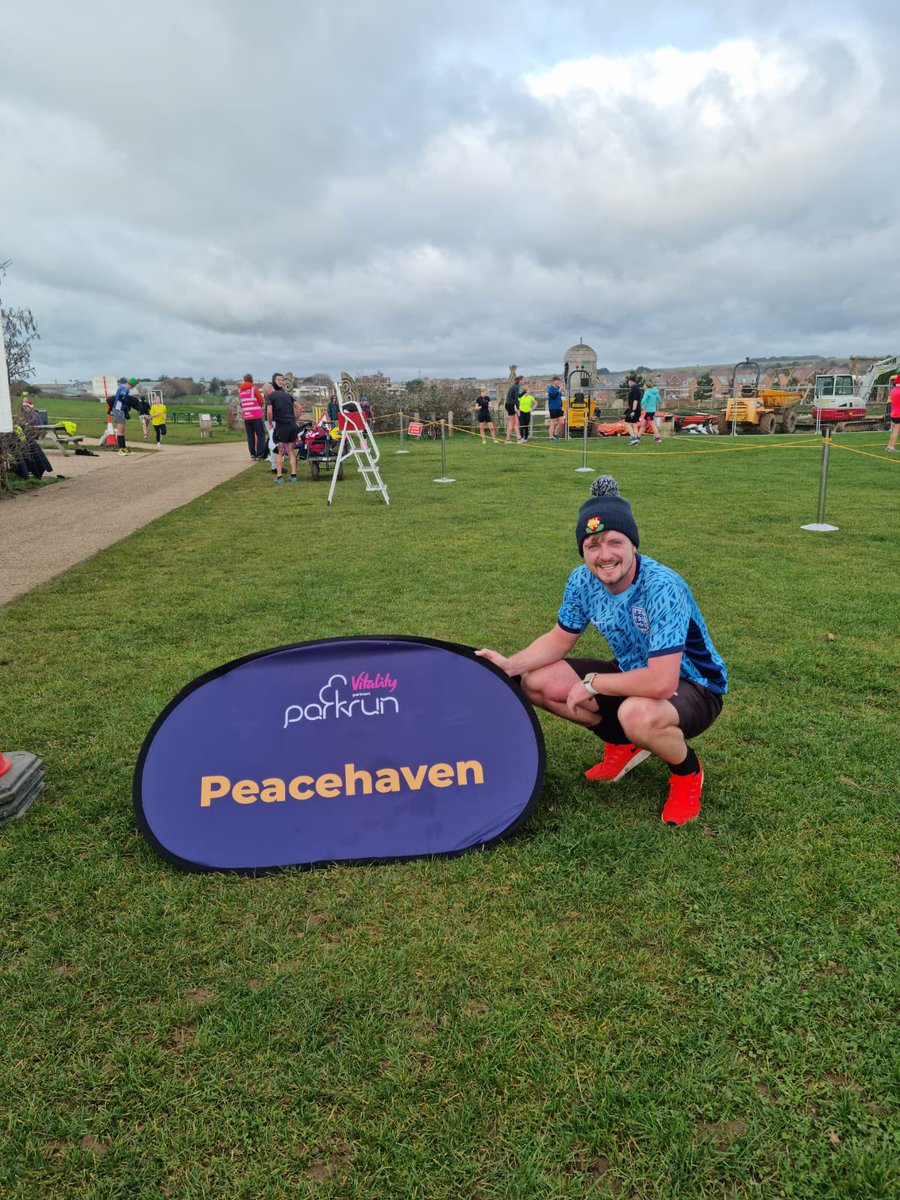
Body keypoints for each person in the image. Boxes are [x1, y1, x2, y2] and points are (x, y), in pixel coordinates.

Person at [476, 476, 727, 826]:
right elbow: (560, 638)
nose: (604, 555)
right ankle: (622, 746)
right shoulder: (581, 580)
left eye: (614, 542)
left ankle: (687, 773)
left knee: (637, 715)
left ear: (633, 544)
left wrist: (594, 684)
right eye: (592, 545)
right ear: (582, 550)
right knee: (536, 682)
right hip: (632, 672)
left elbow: (661, 682)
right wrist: (510, 664)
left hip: (694, 685)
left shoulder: (663, 587)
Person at [266, 373, 300, 483]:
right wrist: (297, 420)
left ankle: (280, 477)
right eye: (279, 379)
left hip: (281, 426)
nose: (281, 381)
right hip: (292, 425)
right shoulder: (287, 395)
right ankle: (294, 476)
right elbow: (299, 407)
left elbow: (269, 412)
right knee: (291, 451)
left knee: (279, 452)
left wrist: (270, 423)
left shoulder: (270, 396)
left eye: (282, 379)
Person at [239, 374, 268, 460]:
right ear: (252, 380)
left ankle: (252, 454)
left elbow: (242, 403)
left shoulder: (240, 390)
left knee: (250, 436)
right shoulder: (253, 389)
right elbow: (261, 400)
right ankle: (260, 454)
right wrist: (257, 405)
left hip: (246, 416)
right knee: (261, 435)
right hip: (256, 416)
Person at [109, 377, 139, 455]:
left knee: (122, 430)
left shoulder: (122, 387)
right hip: (119, 410)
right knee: (120, 430)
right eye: (135, 385)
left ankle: (124, 448)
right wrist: (128, 402)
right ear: (133, 385)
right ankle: (120, 449)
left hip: (119, 410)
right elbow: (120, 398)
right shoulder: (126, 389)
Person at [505, 375, 523, 443]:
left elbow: (518, 396)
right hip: (510, 405)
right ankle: (507, 440)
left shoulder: (515, 386)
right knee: (512, 423)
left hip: (510, 405)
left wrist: (524, 392)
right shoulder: (517, 386)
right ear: (520, 380)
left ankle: (519, 438)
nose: (524, 381)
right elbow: (516, 399)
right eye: (523, 380)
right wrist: (518, 409)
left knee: (516, 423)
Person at [624, 378, 643, 445]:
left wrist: (633, 411)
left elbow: (635, 400)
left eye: (629, 382)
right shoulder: (635, 389)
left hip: (634, 410)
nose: (628, 383)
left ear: (632, 382)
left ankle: (633, 438)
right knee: (634, 424)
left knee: (626, 422)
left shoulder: (635, 389)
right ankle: (635, 441)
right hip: (635, 409)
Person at [886, 374, 900, 451]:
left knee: (895, 429)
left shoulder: (893, 390)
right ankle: (891, 447)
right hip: (899, 413)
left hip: (894, 413)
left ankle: (889, 445)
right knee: (896, 430)